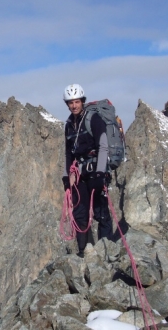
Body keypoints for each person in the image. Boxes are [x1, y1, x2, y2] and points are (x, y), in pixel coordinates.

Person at [62, 84, 113, 258]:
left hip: (96, 172)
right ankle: (84, 253)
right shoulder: (69, 124)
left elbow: (103, 145)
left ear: (82, 101)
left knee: (101, 213)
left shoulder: (94, 119)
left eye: (76, 102)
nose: (74, 105)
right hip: (80, 175)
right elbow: (69, 153)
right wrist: (67, 176)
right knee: (80, 213)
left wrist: (100, 173)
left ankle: (107, 253)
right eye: (70, 103)